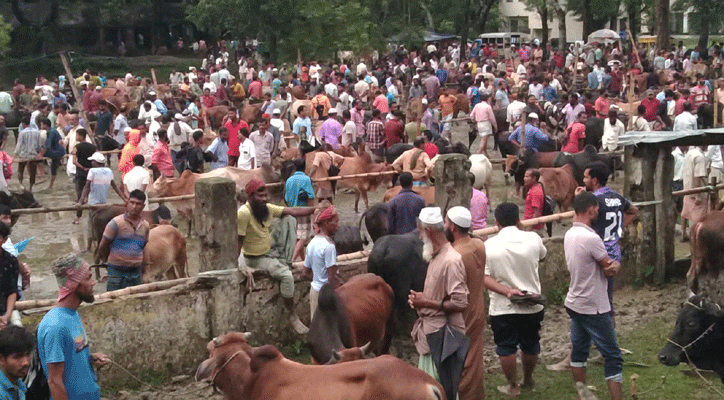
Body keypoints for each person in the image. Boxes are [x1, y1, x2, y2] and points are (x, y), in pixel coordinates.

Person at [237, 179, 318, 334]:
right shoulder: (243, 214)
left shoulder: (266, 208)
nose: (264, 199)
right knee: (287, 277)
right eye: (259, 196)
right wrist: (241, 264)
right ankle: (293, 316)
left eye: (265, 195)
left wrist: (316, 209)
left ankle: (286, 262)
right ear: (250, 196)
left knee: (288, 219)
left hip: (269, 249)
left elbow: (293, 211)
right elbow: (237, 242)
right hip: (255, 257)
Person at [564, 192, 623, 400]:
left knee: (579, 351)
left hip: (575, 301)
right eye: (597, 208)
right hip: (594, 305)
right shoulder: (592, 238)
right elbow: (608, 268)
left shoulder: (570, 233)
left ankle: (584, 395)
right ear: (590, 210)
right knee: (613, 356)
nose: (599, 211)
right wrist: (616, 264)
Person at [484, 202, 545, 397]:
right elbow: (542, 256)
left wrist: (508, 291)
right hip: (532, 302)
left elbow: (484, 278)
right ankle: (528, 379)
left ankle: (512, 385)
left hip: (503, 306)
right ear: (519, 220)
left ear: (496, 222)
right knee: (530, 343)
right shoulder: (533, 239)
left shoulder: (489, 245)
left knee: (506, 347)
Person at [409, 207, 468, 389]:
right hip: (433, 334)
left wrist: (425, 302)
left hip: (443, 338)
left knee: (441, 389)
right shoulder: (436, 256)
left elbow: (460, 302)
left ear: (428, 231)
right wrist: (422, 298)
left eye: (420, 231)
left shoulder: (451, 260)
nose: (419, 237)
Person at [38, 253, 110, 400]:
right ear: (74, 284)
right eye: (88, 278)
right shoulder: (55, 326)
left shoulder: (72, 315)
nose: (93, 283)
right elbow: (54, 381)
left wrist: (88, 358)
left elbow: (70, 355)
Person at [445, 206, 487, 400]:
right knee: (474, 360)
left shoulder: (453, 256)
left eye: (446, 222)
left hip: (460, 317)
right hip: (477, 312)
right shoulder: (479, 245)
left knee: (461, 363)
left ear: (452, 226)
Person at [97, 190, 150, 291]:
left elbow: (144, 248)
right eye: (132, 203)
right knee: (114, 301)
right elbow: (103, 246)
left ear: (143, 206)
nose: (134, 206)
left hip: (136, 272)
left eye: (138, 204)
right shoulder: (115, 223)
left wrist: (146, 272)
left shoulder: (145, 226)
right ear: (127, 203)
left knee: (136, 301)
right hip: (116, 272)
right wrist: (109, 262)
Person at [302, 206, 341, 319]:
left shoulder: (311, 243)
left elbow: (305, 273)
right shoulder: (329, 246)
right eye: (336, 221)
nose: (337, 225)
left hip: (314, 291)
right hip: (326, 294)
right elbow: (332, 278)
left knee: (316, 327)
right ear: (326, 223)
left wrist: (318, 279)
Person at [285, 158, 315, 262]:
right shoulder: (306, 179)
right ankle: (292, 259)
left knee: (298, 237)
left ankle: (303, 261)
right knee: (303, 237)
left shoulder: (289, 180)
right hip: (303, 211)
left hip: (292, 211)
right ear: (305, 167)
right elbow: (310, 197)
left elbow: (286, 198)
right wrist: (312, 212)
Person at [681, 146, 708, 241]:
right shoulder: (699, 157)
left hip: (688, 190)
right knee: (698, 221)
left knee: (686, 215)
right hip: (697, 193)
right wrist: (698, 196)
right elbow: (698, 177)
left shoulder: (690, 153)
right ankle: (696, 242)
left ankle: (684, 234)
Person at [0, 325, 34, 400]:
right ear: (1, 359)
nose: (26, 362)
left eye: (28, 354)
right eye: (18, 357)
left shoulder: (19, 384)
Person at [14, 115, 43, 191]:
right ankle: (31, 187)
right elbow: (39, 145)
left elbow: (18, 146)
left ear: (23, 124)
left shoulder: (22, 133)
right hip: (33, 155)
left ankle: (21, 184)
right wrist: (39, 153)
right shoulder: (37, 132)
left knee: (21, 170)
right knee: (33, 172)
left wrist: (14, 156)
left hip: (23, 155)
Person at [36, 118, 65, 190]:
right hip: (60, 151)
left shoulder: (50, 132)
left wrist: (40, 154)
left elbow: (47, 146)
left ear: (45, 125)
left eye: (42, 124)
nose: (41, 125)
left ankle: (41, 173)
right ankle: (50, 185)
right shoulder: (54, 130)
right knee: (53, 168)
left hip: (56, 152)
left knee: (35, 155)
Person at [0, 222, 18, 329]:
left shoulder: (11, 260)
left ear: (4, 240)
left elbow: (12, 290)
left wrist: (7, 315)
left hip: (3, 312)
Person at [523, 169, 545, 233]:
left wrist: (529, 228)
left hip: (533, 228)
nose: (524, 179)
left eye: (527, 177)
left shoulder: (535, 192)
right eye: (524, 176)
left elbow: (537, 213)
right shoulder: (533, 189)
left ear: (534, 178)